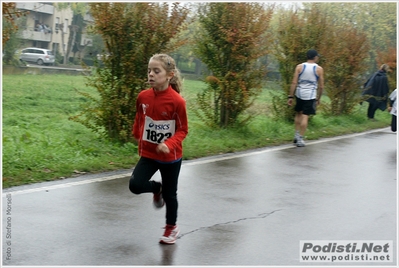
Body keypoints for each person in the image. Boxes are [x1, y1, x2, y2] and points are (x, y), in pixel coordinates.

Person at [129, 53, 188, 245]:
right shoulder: (143, 96)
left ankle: (171, 227)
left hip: (170, 156)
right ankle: (157, 188)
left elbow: (183, 130)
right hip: (149, 153)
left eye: (156, 71)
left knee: (171, 195)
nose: (151, 75)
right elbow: (140, 117)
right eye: (149, 71)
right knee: (135, 185)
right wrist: (137, 132)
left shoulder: (177, 101)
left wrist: (168, 144)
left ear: (169, 75)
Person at [287, 49, 324, 147]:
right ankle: (300, 138)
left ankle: (296, 134)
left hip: (299, 93)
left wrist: (290, 96)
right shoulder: (319, 69)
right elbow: (321, 86)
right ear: (315, 57)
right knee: (305, 116)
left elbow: (294, 82)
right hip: (310, 95)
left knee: (298, 113)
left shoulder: (299, 67)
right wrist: (318, 98)